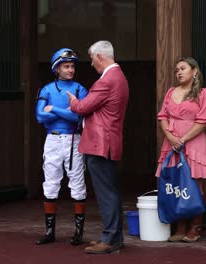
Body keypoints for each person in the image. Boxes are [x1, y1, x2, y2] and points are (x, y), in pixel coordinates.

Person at [67, 40, 129, 254]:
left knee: (106, 193)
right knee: (110, 191)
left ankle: (109, 239)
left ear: (100, 57)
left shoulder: (106, 80)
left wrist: (74, 101)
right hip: (108, 141)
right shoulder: (119, 77)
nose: (92, 64)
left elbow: (83, 107)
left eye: (92, 59)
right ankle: (115, 238)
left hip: (100, 144)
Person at [155, 57, 206, 243]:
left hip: (193, 142)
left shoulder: (204, 93)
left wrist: (182, 139)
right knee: (176, 184)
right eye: (176, 70)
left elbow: (203, 121)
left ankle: (195, 227)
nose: (179, 72)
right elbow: (163, 116)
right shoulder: (171, 92)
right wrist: (172, 138)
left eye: (183, 68)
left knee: (194, 185)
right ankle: (180, 226)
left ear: (194, 71)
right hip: (172, 142)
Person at [35, 48, 88, 246]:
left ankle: (78, 233)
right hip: (53, 138)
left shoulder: (79, 89)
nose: (70, 69)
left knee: (77, 182)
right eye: (66, 66)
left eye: (72, 66)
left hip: (74, 138)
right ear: (57, 68)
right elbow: (40, 116)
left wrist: (54, 109)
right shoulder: (47, 89)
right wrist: (66, 112)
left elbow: (79, 116)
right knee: (50, 182)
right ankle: (50, 232)